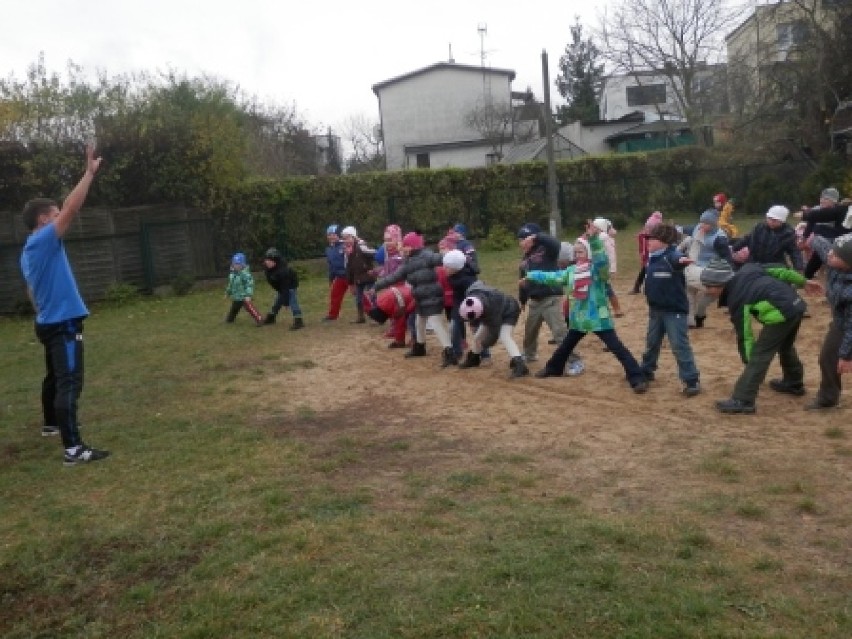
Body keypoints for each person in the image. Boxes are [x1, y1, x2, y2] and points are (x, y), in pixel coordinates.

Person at [19, 144, 110, 465]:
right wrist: (88, 174)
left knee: (58, 378)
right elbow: (72, 208)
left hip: (49, 321)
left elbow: (31, 290)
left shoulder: (29, 250)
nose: (62, 219)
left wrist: (42, 313)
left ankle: (55, 426)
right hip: (63, 324)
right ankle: (73, 448)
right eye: (55, 215)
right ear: (44, 220)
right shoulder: (44, 239)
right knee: (70, 381)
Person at [524, 223, 648, 393]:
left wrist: (594, 239)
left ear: (589, 252)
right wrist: (531, 275)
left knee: (617, 348)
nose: (577, 255)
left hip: (598, 318)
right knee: (565, 346)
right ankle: (554, 368)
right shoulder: (571, 271)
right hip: (579, 318)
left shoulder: (598, 271)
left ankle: (636, 377)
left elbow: (602, 258)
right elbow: (554, 277)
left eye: (580, 251)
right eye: (575, 252)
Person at [699, 258, 821, 414]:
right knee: (785, 346)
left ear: (722, 283)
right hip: (796, 304)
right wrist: (803, 282)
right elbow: (781, 270)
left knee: (760, 354)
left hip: (781, 314)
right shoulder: (748, 269)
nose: (707, 290)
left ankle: (743, 399)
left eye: (709, 286)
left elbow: (745, 334)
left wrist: (750, 363)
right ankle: (793, 382)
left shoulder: (737, 298)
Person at [374, 231, 457, 367]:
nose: (402, 248)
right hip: (420, 298)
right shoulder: (408, 262)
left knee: (436, 323)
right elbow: (394, 277)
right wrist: (377, 285)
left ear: (412, 247)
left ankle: (449, 352)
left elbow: (444, 259)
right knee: (419, 323)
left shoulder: (427, 256)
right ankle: (420, 347)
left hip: (431, 297)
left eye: (405, 246)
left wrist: (455, 256)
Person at [639, 223, 701, 397]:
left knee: (679, 345)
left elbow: (677, 258)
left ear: (664, 241)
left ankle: (691, 380)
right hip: (656, 310)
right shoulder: (652, 258)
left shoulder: (671, 256)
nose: (648, 242)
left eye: (652, 239)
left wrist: (682, 260)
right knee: (651, 344)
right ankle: (646, 371)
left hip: (673, 311)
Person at [803, 233, 852, 410]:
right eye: (832, 251)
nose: (830, 255)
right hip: (840, 320)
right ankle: (828, 399)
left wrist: (846, 356)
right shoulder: (835, 259)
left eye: (836, 255)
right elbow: (822, 244)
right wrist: (811, 238)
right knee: (828, 357)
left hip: (847, 324)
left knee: (832, 356)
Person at [516, 222, 568, 363]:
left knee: (559, 332)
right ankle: (529, 354)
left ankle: (574, 360)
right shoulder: (524, 260)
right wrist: (522, 300)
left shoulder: (546, 250)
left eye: (525, 239)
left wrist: (537, 236)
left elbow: (555, 243)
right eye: (520, 240)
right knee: (530, 333)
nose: (522, 243)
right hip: (534, 300)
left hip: (550, 298)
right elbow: (523, 282)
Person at [456, 282, 528, 378]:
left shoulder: (491, 310)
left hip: (510, 311)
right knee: (477, 337)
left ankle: (520, 365)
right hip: (492, 312)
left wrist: (485, 344)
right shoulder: (471, 295)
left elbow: (494, 334)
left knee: (505, 336)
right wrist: (473, 323)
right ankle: (474, 358)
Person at [679, 209, 733, 328]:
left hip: (712, 271)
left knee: (707, 298)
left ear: (713, 224)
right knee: (689, 291)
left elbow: (728, 258)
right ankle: (690, 320)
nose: (702, 225)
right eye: (701, 222)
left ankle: (700, 315)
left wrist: (729, 276)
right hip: (695, 267)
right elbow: (684, 229)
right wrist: (674, 228)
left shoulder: (720, 239)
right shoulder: (697, 229)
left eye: (706, 223)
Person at [797, 187, 852, 278]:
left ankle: (809, 274)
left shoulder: (839, 209)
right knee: (818, 249)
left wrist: (805, 215)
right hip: (836, 242)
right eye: (822, 198)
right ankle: (807, 275)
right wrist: (804, 236)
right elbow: (814, 220)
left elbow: (818, 217)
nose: (822, 200)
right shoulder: (841, 209)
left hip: (840, 246)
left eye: (826, 199)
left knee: (819, 241)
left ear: (834, 201)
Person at [731, 205, 803, 271]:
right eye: (769, 218)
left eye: (775, 220)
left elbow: (794, 252)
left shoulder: (787, 234)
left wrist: (798, 267)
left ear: (782, 221)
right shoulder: (759, 227)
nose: (771, 221)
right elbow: (747, 238)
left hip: (774, 266)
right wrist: (733, 248)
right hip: (754, 262)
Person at [261, 247, 303, 330]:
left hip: (290, 285)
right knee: (277, 302)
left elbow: (285, 288)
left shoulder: (283, 271)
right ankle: (271, 318)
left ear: (275, 261)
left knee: (292, 301)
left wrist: (286, 302)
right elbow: (273, 282)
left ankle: (299, 321)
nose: (268, 262)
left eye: (270, 261)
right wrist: (279, 291)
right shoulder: (267, 268)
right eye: (267, 260)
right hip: (280, 287)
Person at [341, 226, 376, 324]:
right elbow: (348, 268)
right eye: (344, 238)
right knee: (358, 299)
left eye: (348, 237)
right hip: (358, 278)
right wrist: (351, 283)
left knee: (372, 297)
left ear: (354, 237)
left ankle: (377, 317)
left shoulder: (361, 246)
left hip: (368, 276)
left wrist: (372, 268)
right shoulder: (347, 252)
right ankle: (360, 317)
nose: (346, 240)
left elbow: (374, 253)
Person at [592, 217, 624, 317]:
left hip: (601, 268)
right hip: (600, 267)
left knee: (604, 289)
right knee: (605, 288)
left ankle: (612, 310)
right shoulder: (605, 237)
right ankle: (616, 309)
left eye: (595, 227)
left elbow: (610, 255)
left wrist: (611, 269)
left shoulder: (601, 238)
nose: (593, 229)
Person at [224, 253, 263, 325]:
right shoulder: (232, 274)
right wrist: (227, 292)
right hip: (236, 297)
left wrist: (248, 295)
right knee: (234, 309)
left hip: (243, 297)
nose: (236, 266)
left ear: (243, 265)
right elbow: (230, 285)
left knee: (250, 308)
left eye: (238, 264)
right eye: (234, 264)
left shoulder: (245, 274)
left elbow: (249, 285)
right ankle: (230, 319)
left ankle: (259, 318)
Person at [629, 210, 663, 294]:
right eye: (647, 227)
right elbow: (643, 247)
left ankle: (645, 287)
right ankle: (638, 287)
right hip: (647, 258)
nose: (647, 229)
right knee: (644, 271)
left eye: (650, 228)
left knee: (650, 272)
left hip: (654, 258)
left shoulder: (657, 238)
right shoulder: (644, 236)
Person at [323, 224, 348, 321]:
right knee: (335, 295)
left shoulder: (345, 246)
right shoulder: (328, 250)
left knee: (359, 295)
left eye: (334, 234)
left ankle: (371, 311)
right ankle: (333, 315)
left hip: (349, 276)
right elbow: (331, 266)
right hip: (339, 277)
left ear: (338, 235)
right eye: (329, 235)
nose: (331, 237)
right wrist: (331, 278)